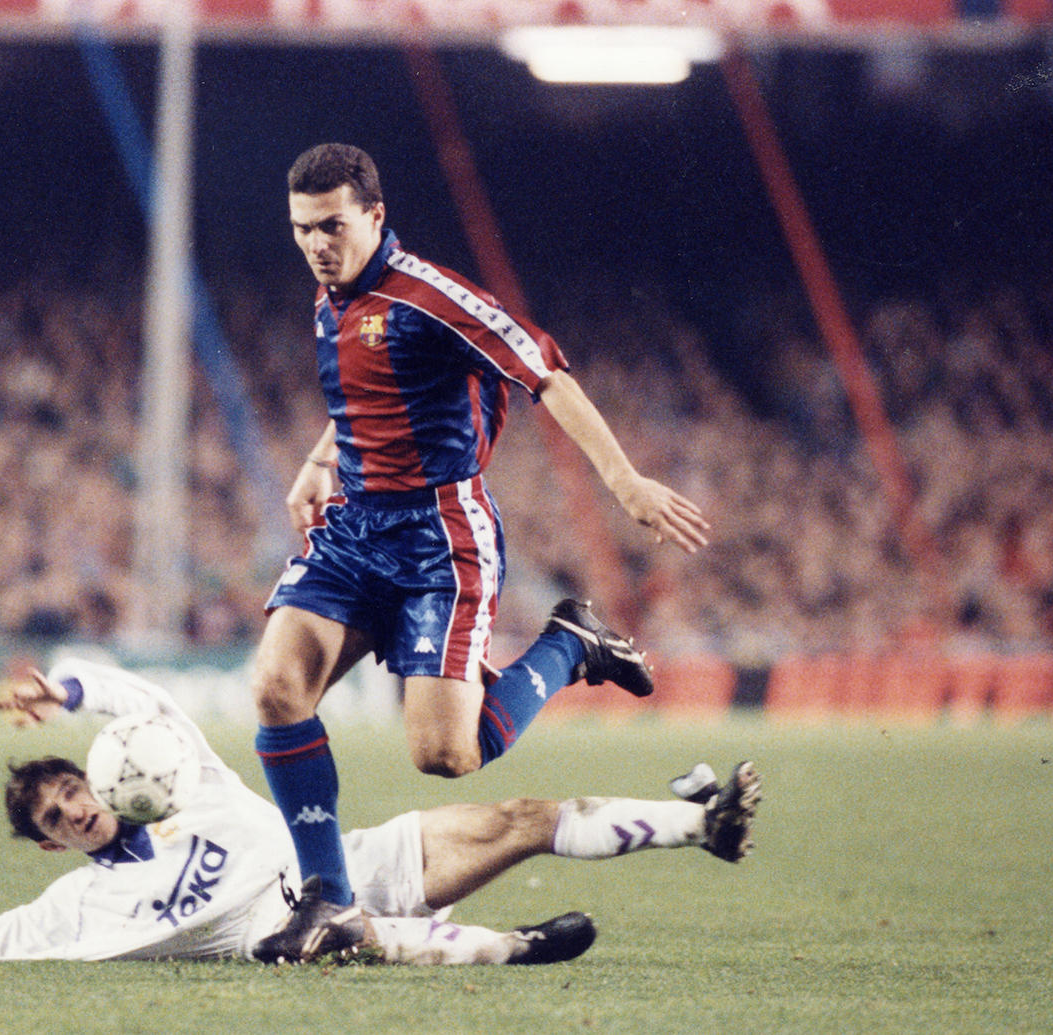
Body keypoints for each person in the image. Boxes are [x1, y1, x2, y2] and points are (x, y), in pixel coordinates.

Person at [250, 143, 714, 961]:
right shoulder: (330, 297)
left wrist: (627, 481)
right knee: (279, 685)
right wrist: (321, 460)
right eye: (301, 229)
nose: (316, 243)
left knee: (446, 755)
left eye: (331, 225)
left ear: (375, 216)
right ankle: (327, 897)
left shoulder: (434, 296)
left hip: (440, 538)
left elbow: (546, 374)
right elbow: (371, 392)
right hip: (357, 528)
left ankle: (571, 643)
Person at [0, 659, 759, 967]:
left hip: (347, 859)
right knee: (345, 939)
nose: (72, 811)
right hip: (285, 929)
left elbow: (141, 699)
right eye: (53, 816)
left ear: (95, 781)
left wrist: (66, 691)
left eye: (69, 789)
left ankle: (699, 826)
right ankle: (517, 947)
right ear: (44, 844)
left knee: (520, 814)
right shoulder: (76, 914)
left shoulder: (177, 772)